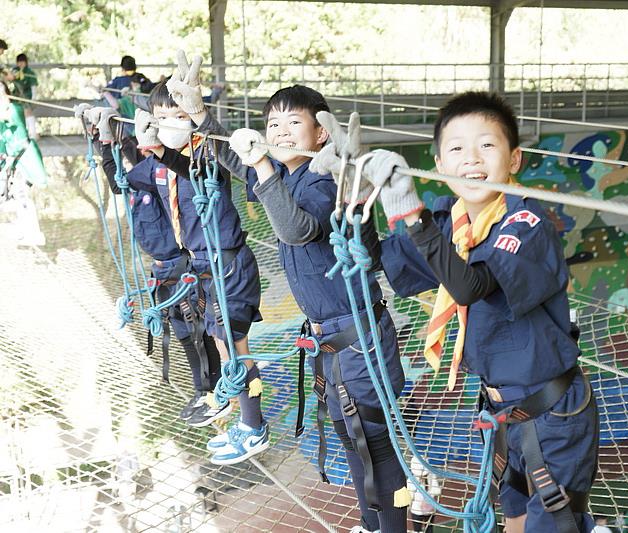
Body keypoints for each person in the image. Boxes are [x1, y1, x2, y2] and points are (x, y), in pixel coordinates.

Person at [166, 49, 409, 533]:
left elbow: (297, 229)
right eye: (271, 124)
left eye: (291, 123)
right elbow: (240, 162)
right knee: (350, 437)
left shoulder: (324, 180)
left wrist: (260, 165)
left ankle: (393, 527)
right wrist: (200, 116)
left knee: (373, 442)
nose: (278, 132)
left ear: (320, 132)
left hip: (357, 336)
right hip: (330, 339)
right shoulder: (291, 176)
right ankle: (369, 523)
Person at [352, 91, 599, 532]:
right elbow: (377, 259)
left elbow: (468, 286)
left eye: (487, 145)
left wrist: (412, 215)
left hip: (551, 414)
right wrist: (355, 196)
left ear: (515, 159)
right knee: (515, 518)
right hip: (501, 412)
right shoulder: (450, 223)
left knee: (552, 521)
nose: (472, 158)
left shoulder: (525, 224)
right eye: (457, 147)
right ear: (439, 164)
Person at [129, 80, 266, 465]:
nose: (172, 124)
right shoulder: (162, 162)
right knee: (224, 344)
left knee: (234, 347)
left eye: (180, 116)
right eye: (163, 118)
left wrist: (163, 148)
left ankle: (254, 426)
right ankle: (243, 415)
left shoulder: (207, 153)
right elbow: (135, 171)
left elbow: (191, 169)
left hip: (228, 263)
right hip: (204, 264)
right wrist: (117, 144)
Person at [76, 103, 225, 428]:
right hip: (162, 270)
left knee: (200, 330)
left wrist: (135, 143)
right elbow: (120, 180)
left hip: (184, 264)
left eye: (177, 117)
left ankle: (216, 391)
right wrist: (104, 140)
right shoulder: (147, 175)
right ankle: (203, 390)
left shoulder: (183, 167)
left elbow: (193, 165)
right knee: (185, 332)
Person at [0, 80, 46, 246]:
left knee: (22, 194)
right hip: (13, 162)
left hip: (25, 158)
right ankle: (26, 229)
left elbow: (13, 116)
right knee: (18, 194)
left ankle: (33, 232)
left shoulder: (13, 110)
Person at [11, 53, 37, 139]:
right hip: (15, 97)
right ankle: (20, 135)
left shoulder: (30, 72)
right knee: (17, 114)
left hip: (26, 96)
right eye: (19, 62)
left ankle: (32, 134)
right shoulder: (14, 71)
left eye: (22, 62)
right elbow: (10, 79)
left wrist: (33, 98)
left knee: (28, 113)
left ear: (26, 62)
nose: (20, 64)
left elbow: (34, 86)